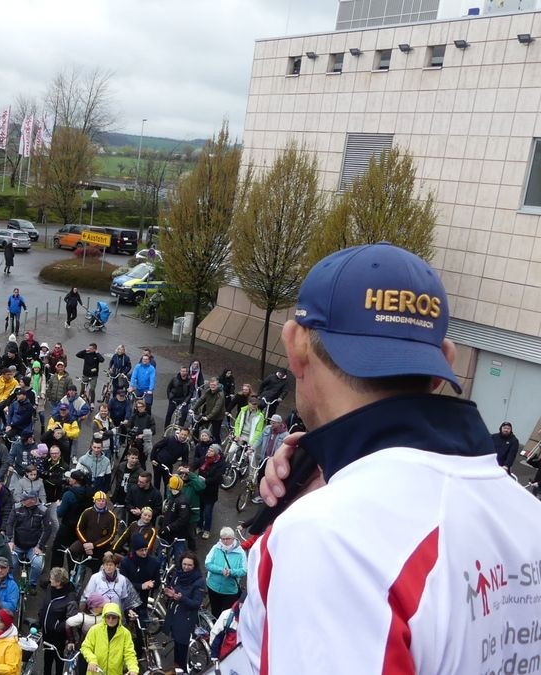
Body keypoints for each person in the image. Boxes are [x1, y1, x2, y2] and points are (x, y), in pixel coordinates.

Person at [240, 243, 541, 673]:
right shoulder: (528, 516)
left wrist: (298, 531)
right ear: (443, 366)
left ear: (295, 346)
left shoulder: (329, 539)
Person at [5, 489, 51, 593]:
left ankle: (32, 584)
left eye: (25, 499)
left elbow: (47, 529)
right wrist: (10, 541)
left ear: (33, 500)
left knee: (37, 565)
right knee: (10, 564)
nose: (22, 501)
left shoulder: (43, 510)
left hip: (34, 547)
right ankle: (9, 584)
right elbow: (10, 524)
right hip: (17, 544)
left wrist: (39, 546)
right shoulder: (16, 508)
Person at [165, 553, 205, 672]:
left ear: (194, 565)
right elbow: (172, 587)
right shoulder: (178, 574)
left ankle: (182, 669)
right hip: (175, 615)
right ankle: (176, 667)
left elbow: (196, 604)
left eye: (189, 565)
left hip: (186, 618)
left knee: (182, 647)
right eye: (184, 564)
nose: (186, 567)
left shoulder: (199, 581)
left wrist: (181, 598)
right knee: (176, 643)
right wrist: (170, 593)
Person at [79, 602, 139, 675]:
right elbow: (85, 647)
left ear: (119, 618)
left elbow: (129, 653)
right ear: (104, 617)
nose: (110, 620)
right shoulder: (94, 630)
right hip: (96, 672)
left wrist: (133, 669)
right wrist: (92, 660)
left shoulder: (125, 633)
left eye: (114, 617)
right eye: (108, 617)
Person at [203, 526, 246, 616]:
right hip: (213, 587)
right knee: (215, 612)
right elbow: (207, 563)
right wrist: (221, 570)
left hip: (230, 591)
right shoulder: (216, 548)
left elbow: (244, 570)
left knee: (226, 615)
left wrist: (231, 572)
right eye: (223, 539)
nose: (225, 541)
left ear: (233, 538)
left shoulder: (240, 552)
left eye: (228, 539)